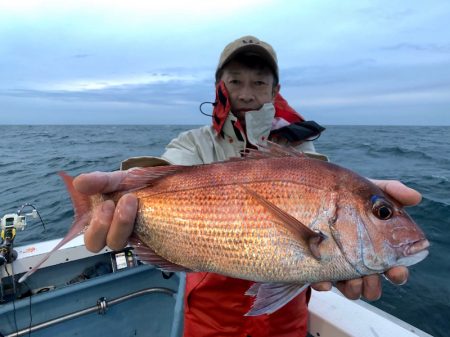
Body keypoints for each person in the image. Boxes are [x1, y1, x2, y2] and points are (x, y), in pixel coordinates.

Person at [74, 36, 420, 337]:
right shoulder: (193, 142)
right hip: (208, 306)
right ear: (219, 86)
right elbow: (167, 168)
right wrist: (125, 198)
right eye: (236, 81)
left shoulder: (301, 152)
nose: (246, 92)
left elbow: (328, 187)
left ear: (275, 90)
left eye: (258, 82)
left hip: (284, 314)